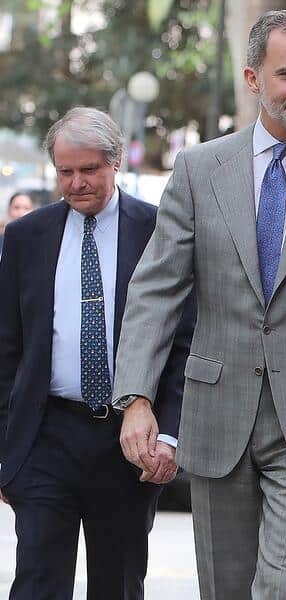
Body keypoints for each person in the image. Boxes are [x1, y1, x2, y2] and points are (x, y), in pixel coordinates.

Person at [112, 10, 286, 599]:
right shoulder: (198, 168)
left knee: (280, 588)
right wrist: (137, 397)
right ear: (251, 79)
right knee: (226, 589)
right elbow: (156, 289)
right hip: (217, 413)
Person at [0, 107, 193, 599]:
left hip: (125, 439)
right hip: (45, 436)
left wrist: (168, 433)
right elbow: (6, 346)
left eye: (89, 170)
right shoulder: (26, 236)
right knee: (37, 582)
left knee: (119, 583)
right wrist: (6, 449)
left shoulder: (158, 231)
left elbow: (183, 341)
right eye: (66, 171)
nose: (77, 182)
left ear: (115, 164)